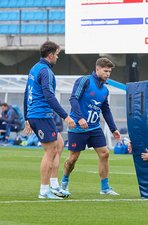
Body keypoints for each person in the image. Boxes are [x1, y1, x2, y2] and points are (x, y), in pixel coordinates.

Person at [61, 57, 121, 196]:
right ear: (98, 69)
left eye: (109, 72)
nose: (108, 74)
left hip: (94, 128)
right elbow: (73, 98)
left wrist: (113, 129)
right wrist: (80, 118)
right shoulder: (85, 81)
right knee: (73, 158)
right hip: (78, 127)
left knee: (105, 153)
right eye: (105, 71)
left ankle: (105, 188)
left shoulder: (105, 90)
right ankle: (64, 182)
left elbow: (105, 110)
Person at [23, 41, 76, 200]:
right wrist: (65, 116)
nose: (58, 57)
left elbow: (27, 92)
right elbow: (49, 96)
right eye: (57, 54)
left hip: (38, 114)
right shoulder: (46, 71)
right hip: (41, 115)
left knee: (59, 145)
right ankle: (44, 191)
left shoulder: (35, 68)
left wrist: (26, 117)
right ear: (51, 54)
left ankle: (54, 185)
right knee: (50, 151)